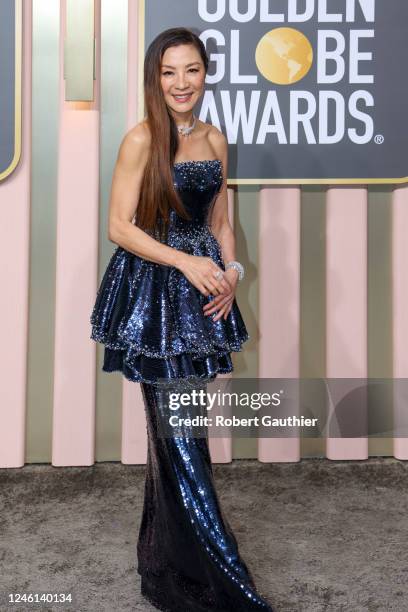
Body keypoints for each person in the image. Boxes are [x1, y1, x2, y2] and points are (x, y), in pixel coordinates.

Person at [90, 26, 275, 612]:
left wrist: (232, 273)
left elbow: (221, 223)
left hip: (200, 299)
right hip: (153, 298)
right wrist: (186, 262)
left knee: (172, 442)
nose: (180, 83)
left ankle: (167, 568)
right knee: (182, 440)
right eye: (169, 72)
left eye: (191, 70)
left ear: (205, 73)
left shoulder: (217, 140)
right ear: (155, 78)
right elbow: (120, 226)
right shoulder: (141, 139)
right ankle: (225, 584)